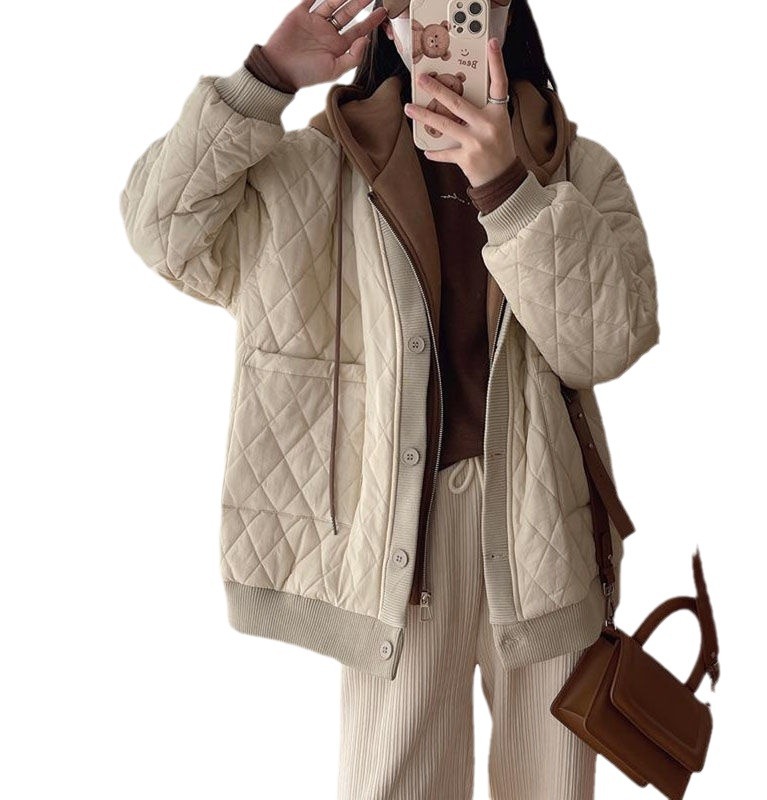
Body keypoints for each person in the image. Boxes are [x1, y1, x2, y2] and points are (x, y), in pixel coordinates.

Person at [119, 0, 660, 797]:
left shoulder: (579, 168)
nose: (449, 21)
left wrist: (508, 187)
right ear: (391, 23)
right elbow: (161, 230)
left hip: (544, 529)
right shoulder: (316, 168)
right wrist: (268, 77)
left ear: (505, 17)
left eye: (470, 5)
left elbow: (607, 343)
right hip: (394, 535)